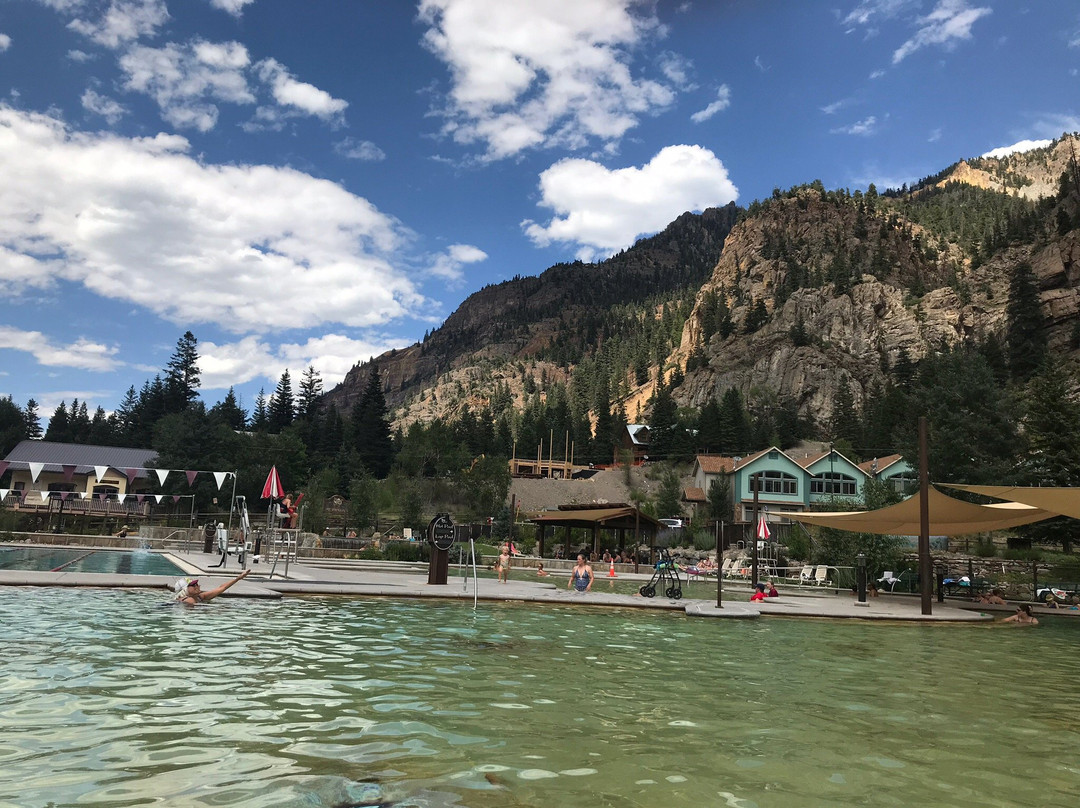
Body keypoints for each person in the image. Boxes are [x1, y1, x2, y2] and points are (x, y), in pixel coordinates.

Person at [173, 569, 252, 606]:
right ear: (184, 590)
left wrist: (238, 578)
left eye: (196, 584)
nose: (197, 586)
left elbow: (221, 588)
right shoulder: (189, 600)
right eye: (193, 585)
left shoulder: (199, 597)